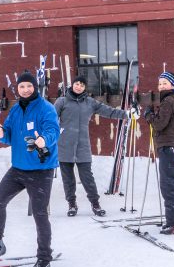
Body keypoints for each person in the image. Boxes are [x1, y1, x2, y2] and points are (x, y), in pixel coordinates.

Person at [0, 72, 60, 267]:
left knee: (40, 215)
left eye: (29, 87)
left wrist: (44, 140)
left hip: (41, 169)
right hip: (18, 168)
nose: (25, 90)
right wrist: (1, 134)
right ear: (18, 89)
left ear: (35, 88)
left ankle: (44, 257)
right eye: (22, 87)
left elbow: (53, 130)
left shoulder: (46, 108)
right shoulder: (15, 110)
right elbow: (9, 136)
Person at [53, 75, 127, 217]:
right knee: (68, 179)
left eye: (82, 85)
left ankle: (95, 204)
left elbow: (109, 111)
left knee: (87, 178)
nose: (79, 86)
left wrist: (126, 114)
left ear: (85, 88)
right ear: (72, 85)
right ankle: (72, 204)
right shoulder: (62, 101)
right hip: (64, 145)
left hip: (83, 146)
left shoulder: (90, 102)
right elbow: (50, 118)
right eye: (77, 83)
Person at [144, 71, 174, 235]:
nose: (161, 86)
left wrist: (149, 115)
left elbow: (159, 124)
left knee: (168, 185)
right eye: (160, 83)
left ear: (173, 84)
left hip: (168, 145)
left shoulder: (169, 100)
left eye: (165, 83)